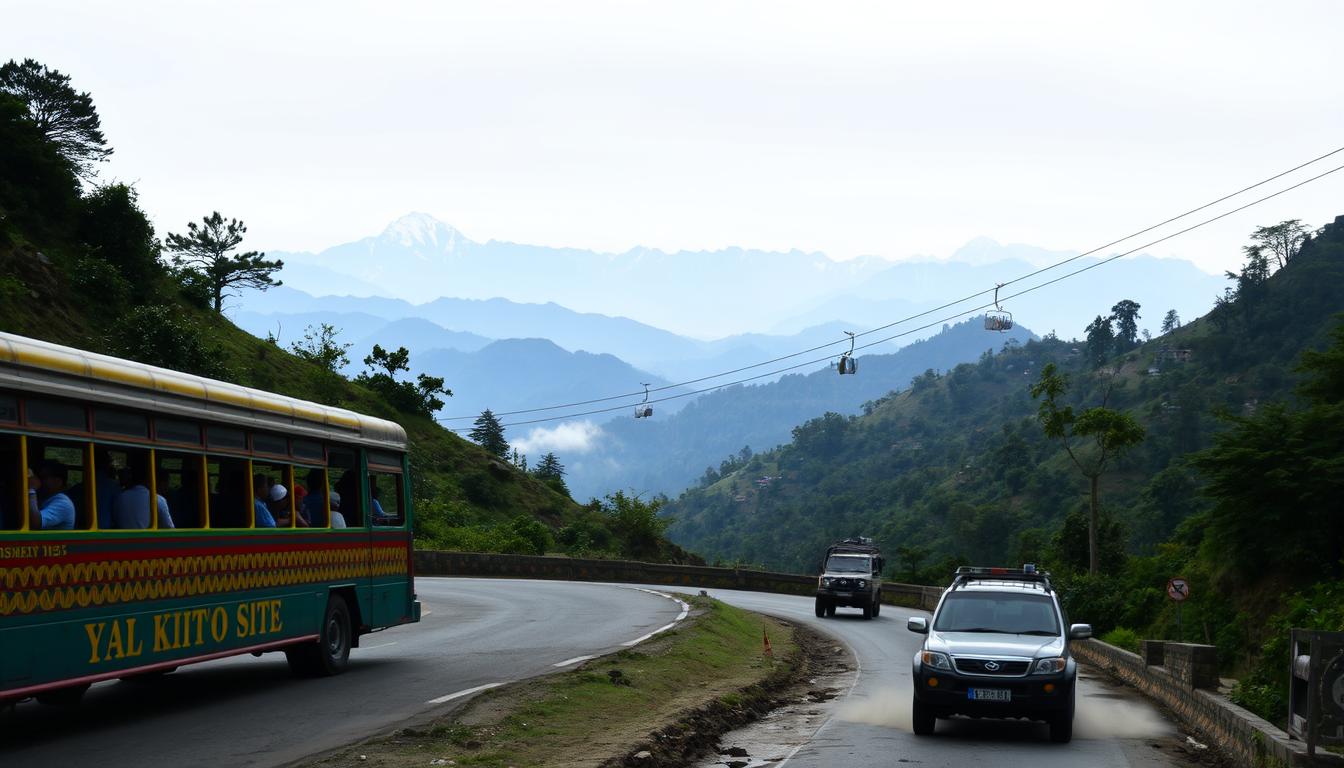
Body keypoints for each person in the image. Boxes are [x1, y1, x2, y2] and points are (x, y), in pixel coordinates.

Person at [112, 456, 174, 529]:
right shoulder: (158, 499)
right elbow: (168, 528)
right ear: (154, 481)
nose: (166, 488)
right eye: (165, 483)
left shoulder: (120, 497)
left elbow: (114, 520)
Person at [30, 460, 75, 530]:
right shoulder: (46, 498)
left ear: (57, 482)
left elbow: (35, 523)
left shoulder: (63, 503)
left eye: (43, 477)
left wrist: (31, 489)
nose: (38, 481)